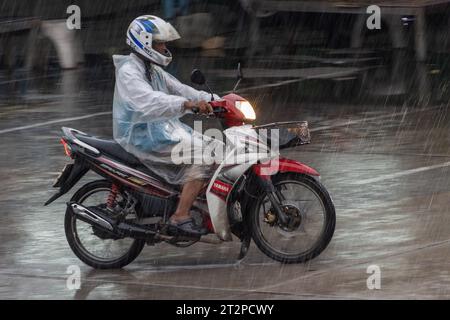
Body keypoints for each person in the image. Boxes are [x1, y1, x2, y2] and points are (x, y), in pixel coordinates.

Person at [112, 15, 221, 236]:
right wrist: (187, 105)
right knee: (204, 155)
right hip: (141, 136)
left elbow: (182, 89)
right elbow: (150, 101)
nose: (164, 47)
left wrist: (216, 100)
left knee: (218, 148)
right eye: (159, 43)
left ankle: (199, 203)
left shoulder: (153, 69)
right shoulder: (129, 72)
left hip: (161, 129)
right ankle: (180, 215)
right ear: (144, 43)